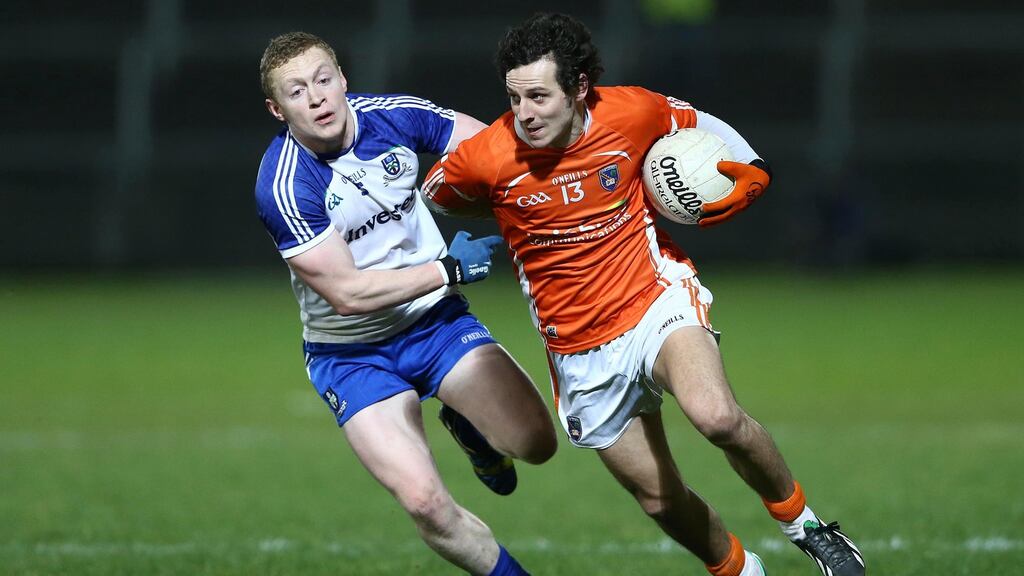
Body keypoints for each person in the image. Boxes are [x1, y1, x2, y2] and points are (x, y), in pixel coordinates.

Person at [423, 13, 865, 576]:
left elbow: (700, 121)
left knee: (717, 416)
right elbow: (439, 194)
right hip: (577, 348)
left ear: (580, 87)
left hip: (653, 298)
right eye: (514, 99)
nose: (525, 113)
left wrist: (752, 168)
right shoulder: (489, 155)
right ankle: (740, 570)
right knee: (659, 498)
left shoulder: (631, 111)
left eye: (538, 95)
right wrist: (501, 211)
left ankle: (808, 528)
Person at [253, 31, 557, 576]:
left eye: (324, 80)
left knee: (535, 444)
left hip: (435, 325)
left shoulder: (395, 117)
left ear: (343, 79)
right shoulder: (283, 185)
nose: (317, 98)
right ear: (278, 110)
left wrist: (544, 196)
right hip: (350, 356)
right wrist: (446, 269)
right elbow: (347, 295)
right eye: (297, 92)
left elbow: (490, 147)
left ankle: (470, 430)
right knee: (425, 503)